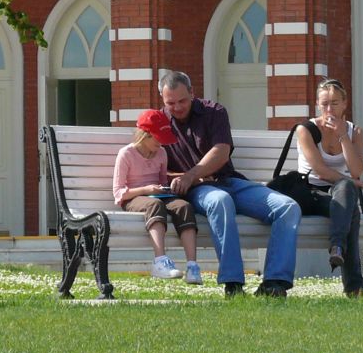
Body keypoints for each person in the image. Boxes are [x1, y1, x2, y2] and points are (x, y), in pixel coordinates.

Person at [159, 69, 301, 296]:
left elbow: (221, 151)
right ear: (163, 100)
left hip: (228, 180)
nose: (177, 107)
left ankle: (274, 283)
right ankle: (233, 284)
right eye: (170, 103)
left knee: (287, 207)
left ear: (193, 93)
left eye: (182, 100)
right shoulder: (158, 124)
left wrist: (191, 173)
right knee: (220, 200)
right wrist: (189, 178)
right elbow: (152, 166)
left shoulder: (213, 112)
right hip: (198, 191)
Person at [270, 80, 363, 297]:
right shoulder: (307, 129)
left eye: (335, 104)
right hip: (307, 192)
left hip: (337, 195)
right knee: (350, 207)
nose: (329, 110)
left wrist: (342, 136)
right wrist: (360, 185)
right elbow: (320, 171)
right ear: (318, 105)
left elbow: (356, 170)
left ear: (345, 104)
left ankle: (337, 248)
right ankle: (354, 285)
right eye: (324, 104)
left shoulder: (355, 132)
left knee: (346, 190)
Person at [112, 108, 201, 283]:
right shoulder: (126, 154)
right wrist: (146, 190)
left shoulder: (161, 153)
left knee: (183, 206)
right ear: (145, 135)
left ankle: (192, 266)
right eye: (158, 139)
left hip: (157, 195)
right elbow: (119, 192)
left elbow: (162, 181)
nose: (161, 144)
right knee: (155, 205)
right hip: (133, 198)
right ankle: (160, 261)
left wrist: (170, 186)